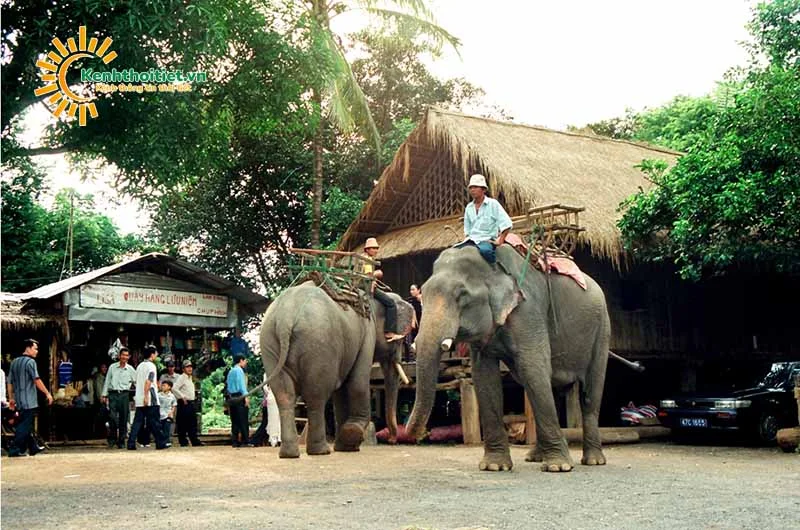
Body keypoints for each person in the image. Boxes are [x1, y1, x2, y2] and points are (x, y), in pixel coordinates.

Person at [7, 339, 53, 457]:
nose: (36, 351)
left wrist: (11, 398)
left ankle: (33, 447)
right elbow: (36, 380)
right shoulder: (30, 362)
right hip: (29, 400)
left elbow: (10, 382)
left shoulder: (14, 362)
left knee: (26, 423)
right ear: (28, 348)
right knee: (24, 425)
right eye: (35, 348)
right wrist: (47, 393)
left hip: (19, 400)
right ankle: (14, 449)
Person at [457, 174, 513, 265]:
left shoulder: (493, 204)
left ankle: (494, 269)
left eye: (475, 187)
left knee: (486, 252)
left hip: (486, 240)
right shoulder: (468, 207)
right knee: (453, 253)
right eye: (471, 188)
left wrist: (500, 240)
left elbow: (507, 223)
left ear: (483, 189)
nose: (472, 190)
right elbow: (467, 229)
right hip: (471, 240)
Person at [361, 238, 405, 342]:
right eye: (373, 248)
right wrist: (377, 274)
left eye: (376, 248)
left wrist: (374, 280)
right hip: (365, 287)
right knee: (391, 303)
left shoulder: (362, 258)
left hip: (361, 285)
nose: (376, 250)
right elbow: (368, 275)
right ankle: (389, 332)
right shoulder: (367, 260)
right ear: (367, 249)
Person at [127, 345, 170, 450]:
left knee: (137, 422)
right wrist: (146, 396)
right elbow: (148, 381)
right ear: (152, 355)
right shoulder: (151, 366)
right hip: (150, 397)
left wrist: (142, 395)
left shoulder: (140, 366)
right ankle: (160, 442)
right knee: (155, 421)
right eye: (155, 353)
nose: (157, 355)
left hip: (139, 397)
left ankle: (131, 443)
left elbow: (137, 381)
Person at [101, 347, 137, 448]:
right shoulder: (112, 367)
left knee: (123, 418)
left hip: (124, 395)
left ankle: (121, 441)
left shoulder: (130, 369)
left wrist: (139, 395)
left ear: (129, 357)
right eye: (123, 355)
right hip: (113, 394)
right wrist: (104, 394)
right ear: (119, 356)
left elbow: (137, 382)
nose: (124, 357)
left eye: (126, 355)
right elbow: (107, 380)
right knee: (112, 417)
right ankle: (112, 439)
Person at [172, 359, 202, 447]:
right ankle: (183, 441)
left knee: (192, 422)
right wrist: (182, 396)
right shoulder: (182, 377)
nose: (190, 369)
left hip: (191, 403)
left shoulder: (190, 378)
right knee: (183, 423)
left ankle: (194, 440)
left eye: (190, 367)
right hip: (184, 403)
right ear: (183, 369)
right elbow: (174, 388)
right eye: (187, 367)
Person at [226, 355, 251, 447]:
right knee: (243, 419)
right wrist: (246, 397)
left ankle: (235, 441)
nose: (246, 363)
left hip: (232, 397)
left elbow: (228, 386)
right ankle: (245, 441)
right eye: (245, 361)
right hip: (240, 396)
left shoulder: (231, 371)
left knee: (235, 420)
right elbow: (242, 386)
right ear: (241, 360)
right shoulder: (239, 371)